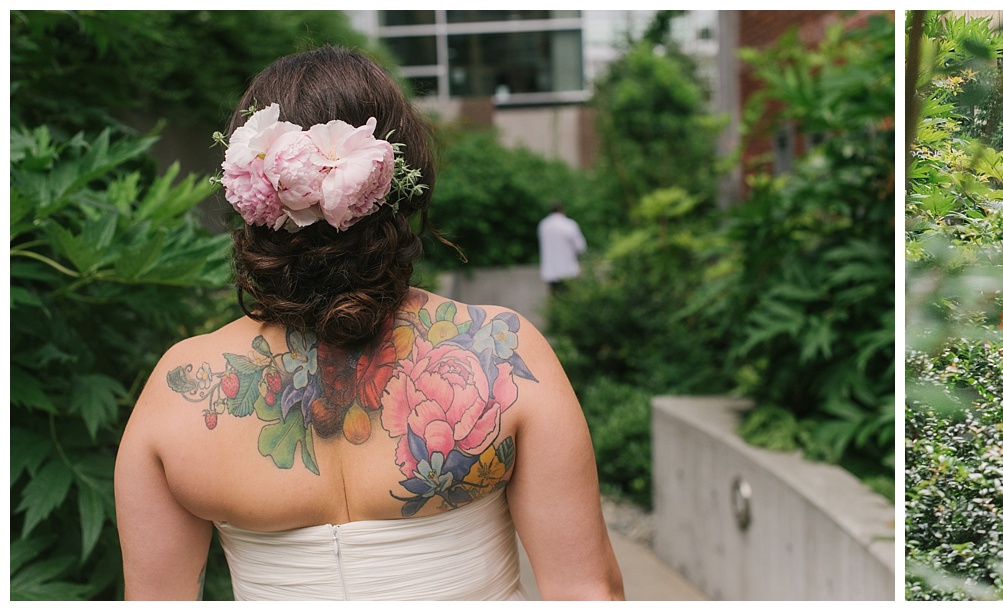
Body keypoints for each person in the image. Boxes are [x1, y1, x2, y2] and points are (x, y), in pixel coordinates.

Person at [115, 47, 625, 601]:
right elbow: (586, 590)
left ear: (249, 192)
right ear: (405, 181)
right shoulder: (501, 352)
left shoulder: (179, 388)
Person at [538, 201, 586, 295]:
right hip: (567, 269)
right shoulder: (568, 224)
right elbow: (580, 246)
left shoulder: (543, 225)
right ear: (562, 210)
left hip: (550, 270)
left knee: (555, 297)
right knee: (569, 297)